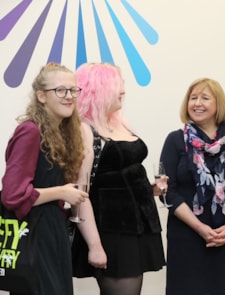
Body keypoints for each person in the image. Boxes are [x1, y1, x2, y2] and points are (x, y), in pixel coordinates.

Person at [71, 63, 166, 295]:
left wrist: (150, 189)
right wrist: (94, 246)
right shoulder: (84, 130)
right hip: (111, 230)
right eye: (117, 86)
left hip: (139, 224)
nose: (123, 91)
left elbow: (123, 176)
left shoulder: (120, 121)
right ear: (99, 90)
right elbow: (79, 195)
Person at [160, 78, 225, 295]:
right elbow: (168, 192)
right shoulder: (175, 140)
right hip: (187, 235)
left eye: (204, 98)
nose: (197, 103)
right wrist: (201, 228)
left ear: (218, 104)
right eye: (193, 98)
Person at [1, 62, 86, 294]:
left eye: (73, 90)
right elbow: (13, 195)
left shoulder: (61, 132)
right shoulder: (30, 132)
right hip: (35, 236)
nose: (69, 96)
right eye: (60, 90)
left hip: (52, 232)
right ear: (41, 96)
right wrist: (60, 192)